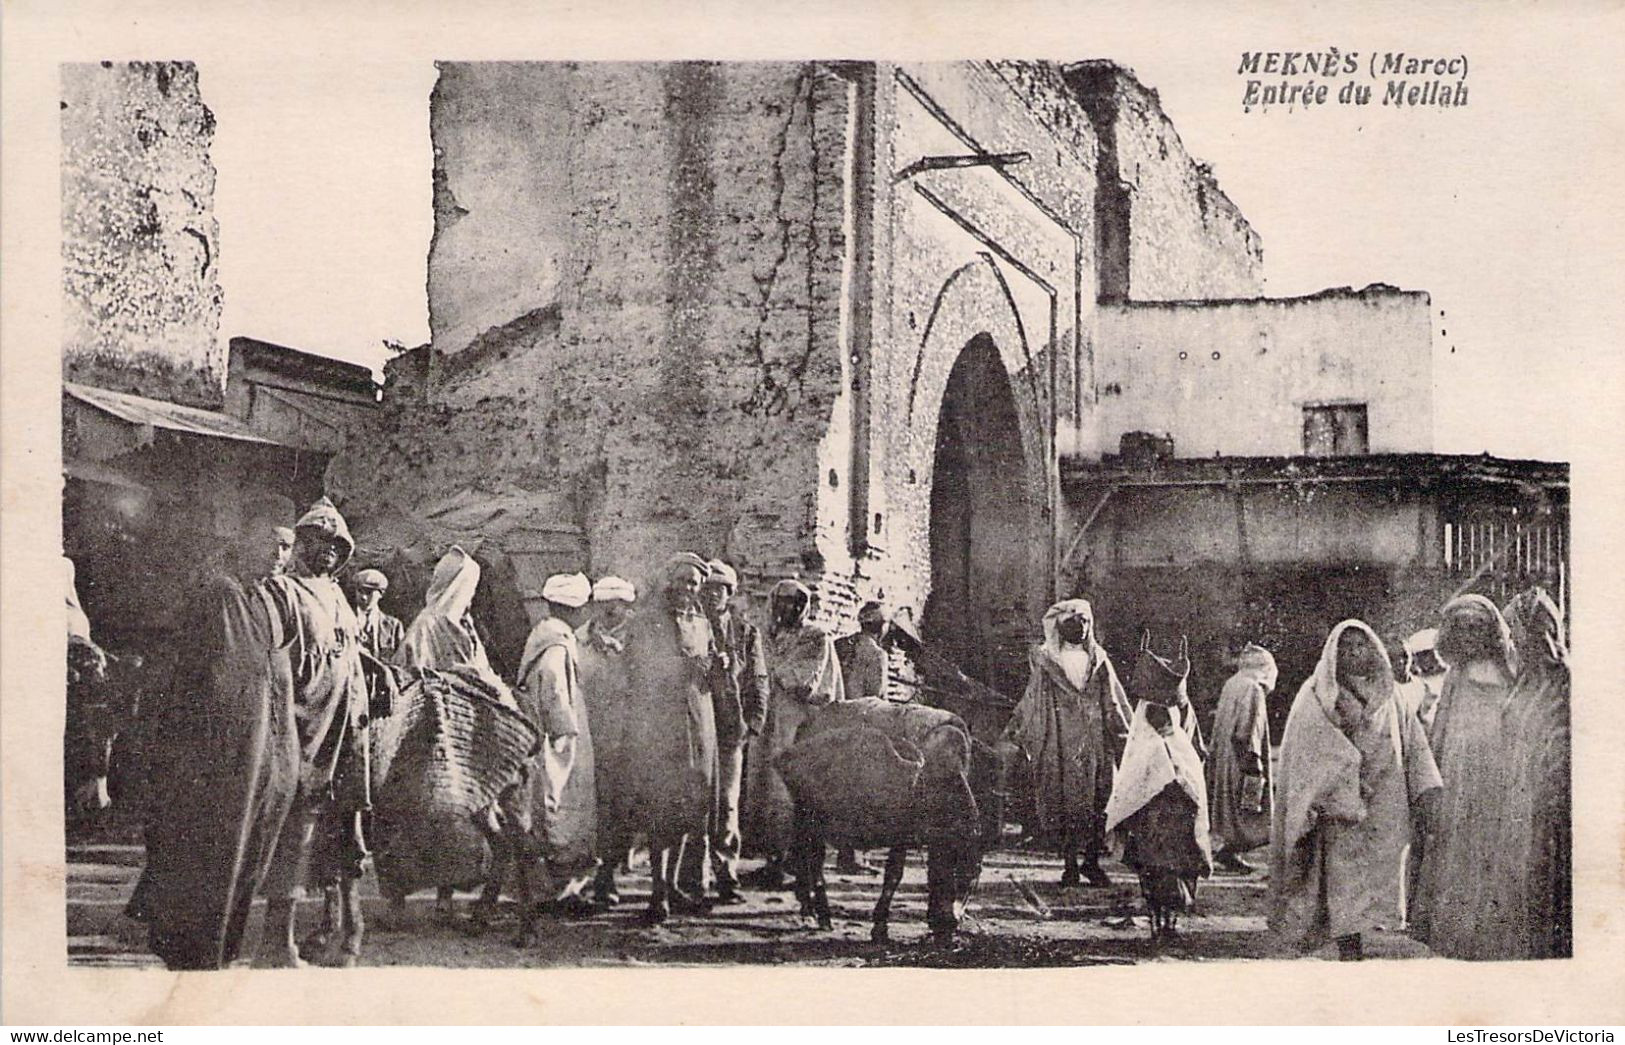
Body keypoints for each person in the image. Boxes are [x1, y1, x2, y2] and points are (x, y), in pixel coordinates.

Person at [1269, 620, 1441, 961]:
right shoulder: (1316, 695)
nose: (1354, 654)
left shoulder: (1391, 695)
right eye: (1346, 647)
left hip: (1383, 803)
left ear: (1373, 649)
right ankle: (1350, 947)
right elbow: (1308, 745)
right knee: (1342, 882)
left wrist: (1426, 789)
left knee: (1379, 881)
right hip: (1338, 810)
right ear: (1334, 653)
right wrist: (1337, 780)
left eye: (1360, 646)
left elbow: (1414, 744)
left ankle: (1368, 936)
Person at [1410, 593, 1522, 959]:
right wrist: (1435, 771)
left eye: (1477, 628)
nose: (1471, 635)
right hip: (1460, 773)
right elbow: (1441, 726)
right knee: (1460, 848)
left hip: (1499, 768)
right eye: (1463, 629)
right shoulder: (1456, 676)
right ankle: (1458, 926)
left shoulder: (1512, 671)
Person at [1001, 598, 1131, 888]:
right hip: (1060, 743)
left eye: (1085, 622)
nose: (1081, 628)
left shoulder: (1099, 660)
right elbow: (1032, 702)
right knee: (1066, 803)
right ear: (1061, 627)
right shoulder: (1048, 662)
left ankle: (1092, 862)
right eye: (1074, 622)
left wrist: (1123, 736)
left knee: (1101, 800)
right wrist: (1020, 731)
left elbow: (1113, 702)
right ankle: (1070, 865)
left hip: (1096, 743)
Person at [620, 553, 721, 922]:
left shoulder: (701, 622)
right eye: (682, 581)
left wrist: (714, 668)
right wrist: (682, 668)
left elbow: (706, 668)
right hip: (660, 724)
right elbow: (637, 668)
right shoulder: (648, 622)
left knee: (690, 804)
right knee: (662, 805)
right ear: (670, 582)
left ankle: (675, 883)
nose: (687, 589)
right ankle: (657, 891)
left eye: (693, 583)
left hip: (697, 722)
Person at [741, 579, 845, 890]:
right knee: (762, 784)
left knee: (789, 787)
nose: (789, 607)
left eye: (796, 602)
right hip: (768, 720)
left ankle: (795, 861)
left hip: (798, 722)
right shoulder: (765, 635)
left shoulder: (815, 637)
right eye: (783, 601)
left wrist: (769, 672)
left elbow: (804, 682)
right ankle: (772, 858)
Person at [1106, 633, 1210, 942]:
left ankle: (1170, 923)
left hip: (1178, 822)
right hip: (1154, 825)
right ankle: (1159, 922)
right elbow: (1136, 779)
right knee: (1156, 873)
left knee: (1177, 871)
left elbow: (1192, 763)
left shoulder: (1178, 736)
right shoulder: (1146, 740)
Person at [679, 559, 767, 903]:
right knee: (698, 802)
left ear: (730, 594)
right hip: (698, 727)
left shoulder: (745, 633)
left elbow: (758, 678)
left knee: (728, 806)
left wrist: (754, 721)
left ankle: (726, 875)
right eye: (709, 588)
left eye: (721, 589)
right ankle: (693, 880)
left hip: (730, 728)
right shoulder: (690, 625)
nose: (714, 594)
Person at [515, 572, 599, 905]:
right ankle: (561, 889)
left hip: (552, 733)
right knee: (562, 804)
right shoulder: (556, 646)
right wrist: (565, 730)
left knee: (552, 804)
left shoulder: (545, 636)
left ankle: (560, 884)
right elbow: (552, 688)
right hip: (558, 739)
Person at [1496, 587, 1572, 959]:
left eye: (1515, 633)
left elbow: (1562, 752)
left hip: (1548, 813)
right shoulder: (1522, 683)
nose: (1511, 642)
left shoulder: (1564, 683)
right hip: (1519, 807)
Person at [578, 575, 638, 907]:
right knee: (593, 806)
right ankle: (588, 872)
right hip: (589, 731)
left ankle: (608, 874)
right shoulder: (580, 638)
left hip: (628, 735)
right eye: (603, 605)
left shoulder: (640, 640)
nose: (609, 611)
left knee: (620, 808)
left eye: (617, 606)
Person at [395, 546, 510, 704]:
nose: (471, 596)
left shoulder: (466, 624)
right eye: (469, 589)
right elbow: (407, 683)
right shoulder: (425, 626)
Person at [1206, 642, 1278, 874]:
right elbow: (1249, 727)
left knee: (1233, 808)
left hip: (1226, 756)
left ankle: (1229, 851)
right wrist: (1253, 758)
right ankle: (1231, 851)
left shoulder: (1232, 683)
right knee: (1250, 811)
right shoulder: (1253, 689)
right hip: (1242, 757)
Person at [349, 568, 404, 662]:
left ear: (381, 594)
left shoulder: (394, 626)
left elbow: (401, 661)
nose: (363, 597)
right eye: (360, 591)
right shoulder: (346, 620)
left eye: (369, 592)